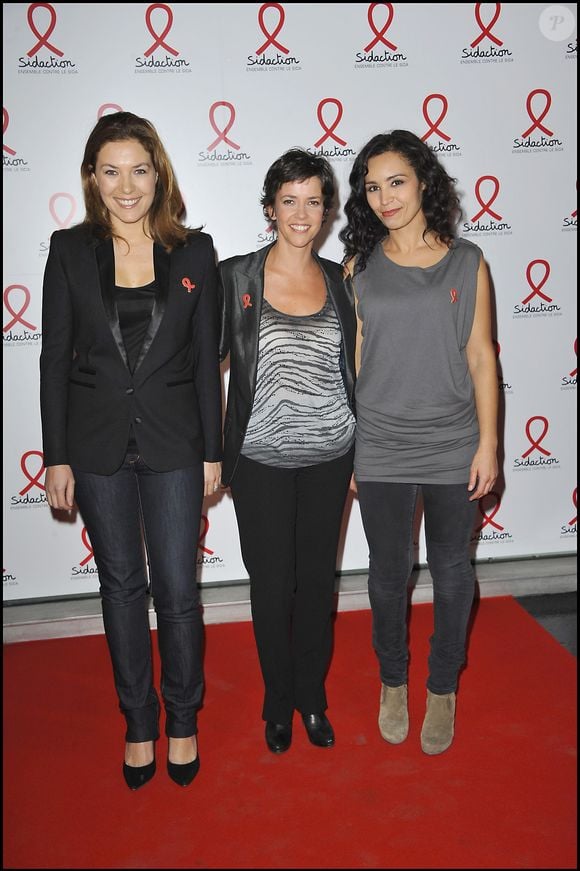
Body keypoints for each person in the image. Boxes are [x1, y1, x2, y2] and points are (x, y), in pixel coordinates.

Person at [40, 111, 222, 789]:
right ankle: (138, 718)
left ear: (159, 173)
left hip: (177, 442)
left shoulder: (196, 253)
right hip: (95, 445)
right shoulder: (68, 250)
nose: (126, 185)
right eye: (111, 170)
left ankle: (182, 717)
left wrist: (213, 454)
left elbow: (207, 361)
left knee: (177, 589)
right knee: (121, 586)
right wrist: (56, 454)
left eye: (139, 169)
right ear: (92, 177)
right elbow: (54, 358)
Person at [340, 130, 498, 755]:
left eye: (396, 181)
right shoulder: (359, 268)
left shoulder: (468, 261)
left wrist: (488, 445)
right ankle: (393, 681)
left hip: (454, 440)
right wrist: (350, 446)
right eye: (372, 187)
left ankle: (441, 686)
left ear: (424, 182)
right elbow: (353, 361)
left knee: (454, 573)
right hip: (379, 442)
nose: (384, 198)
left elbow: (482, 357)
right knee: (386, 575)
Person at [218, 148, 356, 753]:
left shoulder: (340, 280)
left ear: (327, 210)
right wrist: (204, 453)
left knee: (316, 585)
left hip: (331, 458)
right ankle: (278, 703)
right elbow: (201, 367)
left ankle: (312, 699)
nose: (301, 213)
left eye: (314, 201)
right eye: (289, 200)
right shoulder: (235, 277)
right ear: (270, 206)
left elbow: (358, 368)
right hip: (260, 464)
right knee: (272, 586)